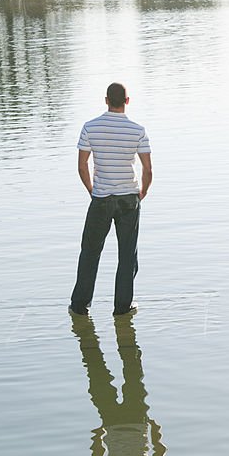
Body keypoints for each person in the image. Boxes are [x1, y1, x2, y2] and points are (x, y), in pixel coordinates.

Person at [69, 82, 153, 317]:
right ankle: (122, 307)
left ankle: (80, 306)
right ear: (127, 101)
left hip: (101, 198)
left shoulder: (90, 127)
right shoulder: (137, 130)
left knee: (90, 252)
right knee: (127, 254)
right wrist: (143, 191)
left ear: (106, 100)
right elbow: (148, 169)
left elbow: (82, 164)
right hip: (129, 198)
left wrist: (91, 189)